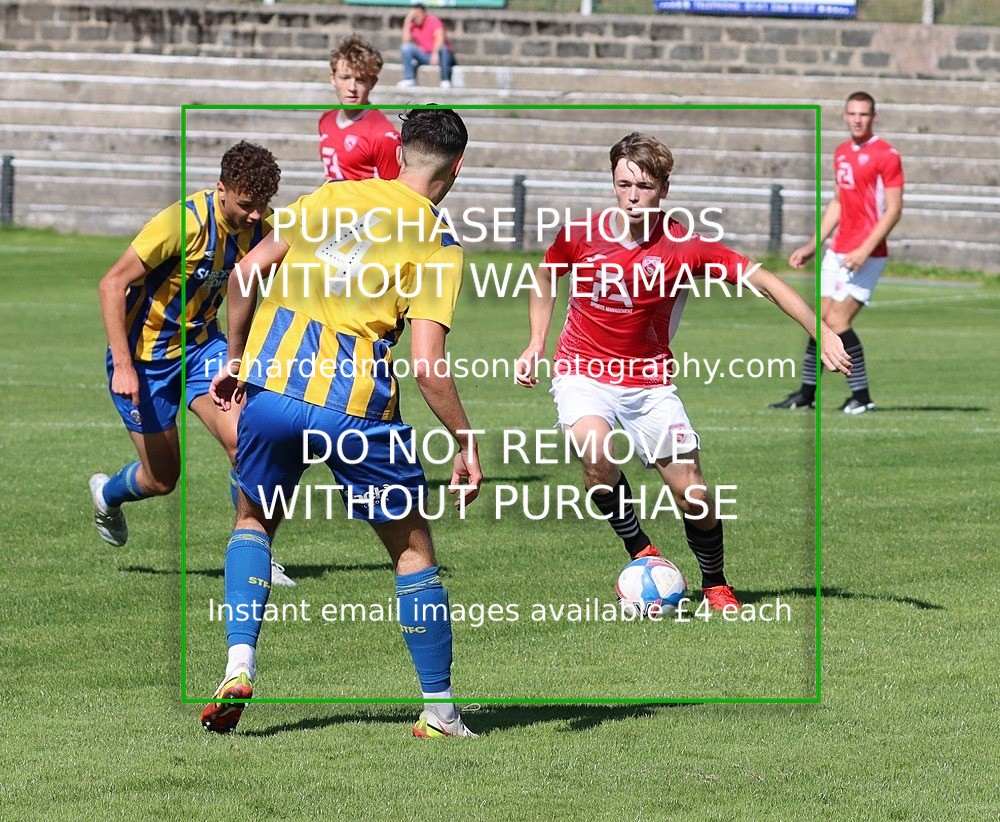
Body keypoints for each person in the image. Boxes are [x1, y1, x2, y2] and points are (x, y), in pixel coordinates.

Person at [200, 108, 482, 739]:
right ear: (457, 168)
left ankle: (239, 663)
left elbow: (245, 273)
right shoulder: (438, 241)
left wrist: (236, 356)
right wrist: (465, 441)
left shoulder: (331, 196)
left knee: (252, 519)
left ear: (400, 153)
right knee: (412, 550)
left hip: (270, 390)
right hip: (355, 406)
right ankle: (439, 711)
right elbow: (428, 367)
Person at [515, 132, 851, 611]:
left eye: (645, 186)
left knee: (692, 493)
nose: (633, 195)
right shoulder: (579, 233)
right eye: (624, 183)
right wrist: (535, 342)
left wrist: (822, 330)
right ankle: (641, 551)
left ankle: (715, 581)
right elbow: (546, 274)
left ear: (664, 189)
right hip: (581, 371)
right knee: (593, 449)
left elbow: (765, 281)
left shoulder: (685, 247)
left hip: (649, 384)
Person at [89, 141, 297, 587]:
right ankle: (108, 495)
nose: (255, 215)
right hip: (144, 361)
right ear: (221, 189)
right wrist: (123, 365)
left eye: (263, 206)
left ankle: (254, 553)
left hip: (204, 349)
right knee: (162, 479)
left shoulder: (261, 229)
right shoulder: (181, 223)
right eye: (246, 205)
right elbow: (112, 284)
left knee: (246, 444)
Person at [771, 91, 904, 414]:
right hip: (838, 249)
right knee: (821, 321)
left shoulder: (887, 155)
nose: (857, 119)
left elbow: (894, 210)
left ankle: (862, 396)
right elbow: (837, 203)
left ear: (874, 116)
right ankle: (807, 393)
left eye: (864, 114)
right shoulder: (842, 152)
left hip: (867, 253)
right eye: (852, 114)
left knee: (838, 321)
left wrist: (863, 249)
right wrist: (812, 245)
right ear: (845, 116)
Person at [318, 35, 401, 182]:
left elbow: (396, 194)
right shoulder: (326, 120)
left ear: (372, 82)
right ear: (333, 78)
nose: (352, 88)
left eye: (360, 80)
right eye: (345, 78)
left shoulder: (383, 135)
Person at [398, 3, 455, 89]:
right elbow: (405, 41)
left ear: (425, 13)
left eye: (419, 13)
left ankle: (445, 80)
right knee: (405, 47)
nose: (417, 16)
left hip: (441, 56)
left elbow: (440, 38)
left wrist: (435, 53)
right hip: (426, 56)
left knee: (443, 48)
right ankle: (409, 79)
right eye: (414, 14)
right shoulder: (412, 25)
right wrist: (407, 21)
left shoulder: (433, 21)